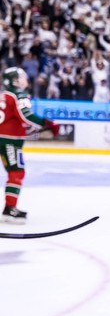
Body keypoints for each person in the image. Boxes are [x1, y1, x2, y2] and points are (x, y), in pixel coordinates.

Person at [0, 67, 59, 223]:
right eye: (21, 77)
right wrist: (46, 123)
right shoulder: (18, 94)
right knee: (16, 173)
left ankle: (9, 208)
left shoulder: (3, 95)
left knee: (15, 172)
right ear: (14, 80)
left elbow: (18, 121)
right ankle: (9, 209)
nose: (25, 79)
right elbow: (25, 116)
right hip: (9, 140)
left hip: (5, 138)